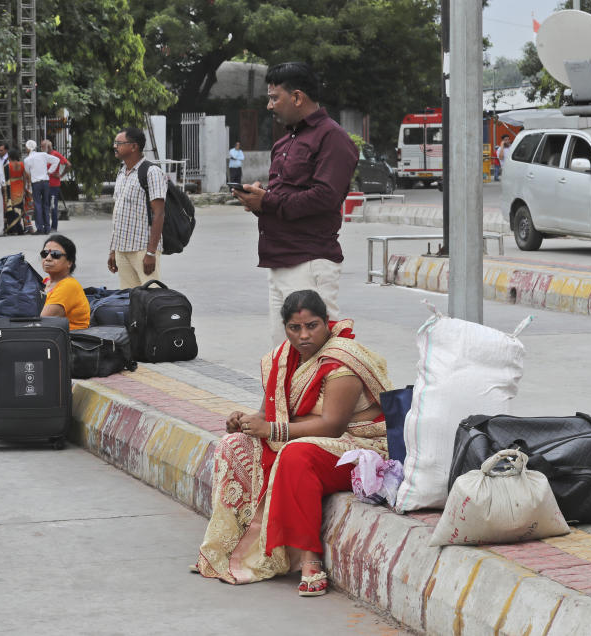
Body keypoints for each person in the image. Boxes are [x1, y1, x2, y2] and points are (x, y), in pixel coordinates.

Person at [194, 290, 393, 596]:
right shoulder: (281, 359)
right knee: (233, 445)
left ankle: (309, 558)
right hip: (302, 439)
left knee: (295, 454)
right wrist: (244, 421)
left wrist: (271, 430)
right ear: (285, 327)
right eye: (294, 328)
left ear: (326, 323)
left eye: (312, 326)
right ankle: (231, 545)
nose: (303, 336)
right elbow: (267, 413)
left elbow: (332, 425)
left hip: (359, 447)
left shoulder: (343, 360)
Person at [233, 62, 358, 346]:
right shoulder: (286, 142)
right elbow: (284, 197)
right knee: (284, 356)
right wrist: (258, 200)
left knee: (316, 354)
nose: (269, 105)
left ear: (298, 97)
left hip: (308, 261)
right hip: (279, 259)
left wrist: (269, 201)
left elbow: (325, 198)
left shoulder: (332, 138)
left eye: (274, 97)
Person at [0, 233, 89, 408]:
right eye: (44, 254)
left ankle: (0, 403)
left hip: (67, 346)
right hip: (48, 338)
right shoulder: (47, 282)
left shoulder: (68, 286)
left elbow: (41, 319)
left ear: (69, 262)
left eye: (55, 255)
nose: (48, 258)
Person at [107, 127, 167, 289]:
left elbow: (159, 213)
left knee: (152, 297)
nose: (115, 146)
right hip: (122, 249)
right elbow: (117, 214)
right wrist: (113, 250)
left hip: (142, 249)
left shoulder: (151, 172)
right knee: (129, 300)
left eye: (119, 143)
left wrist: (151, 253)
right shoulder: (122, 173)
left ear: (133, 146)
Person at [23, 139, 60, 234]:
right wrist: (49, 171)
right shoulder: (43, 155)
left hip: (36, 183)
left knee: (38, 205)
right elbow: (57, 160)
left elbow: (27, 172)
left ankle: (40, 228)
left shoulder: (27, 160)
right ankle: (47, 228)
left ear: (27, 148)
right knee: (46, 205)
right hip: (46, 182)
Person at [41, 139, 71, 232]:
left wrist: (61, 175)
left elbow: (68, 164)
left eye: (42, 146)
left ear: (48, 147)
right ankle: (46, 226)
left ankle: (54, 226)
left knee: (53, 206)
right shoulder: (43, 156)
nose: (41, 148)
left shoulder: (55, 154)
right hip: (44, 184)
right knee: (45, 205)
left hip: (54, 185)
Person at [4, 147, 30, 235]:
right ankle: (19, 228)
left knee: (12, 208)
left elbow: (4, 179)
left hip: (11, 188)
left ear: (9, 156)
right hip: (20, 187)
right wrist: (25, 187)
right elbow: (26, 177)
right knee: (19, 207)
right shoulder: (22, 164)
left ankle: (13, 229)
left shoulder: (7, 166)